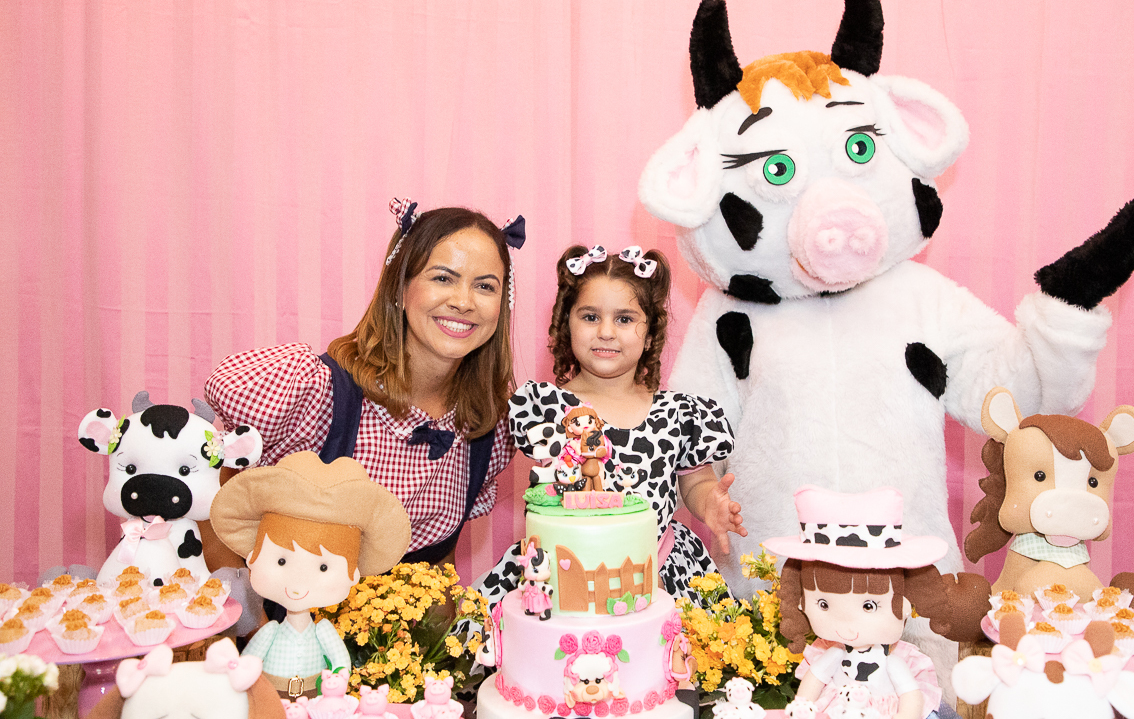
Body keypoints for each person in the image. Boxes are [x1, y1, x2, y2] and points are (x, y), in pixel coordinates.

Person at [205, 200, 522, 565]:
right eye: (442, 278)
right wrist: (246, 603)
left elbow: (438, 564)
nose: (464, 302)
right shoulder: (316, 394)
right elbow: (215, 510)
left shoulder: (489, 425)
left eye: (485, 286)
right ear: (400, 287)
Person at [479, 244, 745, 604]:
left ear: (649, 334)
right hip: (561, 571)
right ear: (566, 325)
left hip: (660, 567)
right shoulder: (546, 407)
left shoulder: (678, 413)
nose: (606, 331)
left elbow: (696, 481)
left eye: (624, 319)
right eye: (590, 317)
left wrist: (709, 502)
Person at [208, 451, 411, 697]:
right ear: (252, 559)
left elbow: (340, 661)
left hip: (315, 696)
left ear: (353, 576)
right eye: (281, 561)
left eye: (323, 567)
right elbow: (249, 661)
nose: (298, 583)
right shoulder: (269, 632)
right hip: (272, 697)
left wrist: (338, 680)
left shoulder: (323, 631)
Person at [765, 485, 954, 719]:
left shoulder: (893, 662)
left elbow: (911, 697)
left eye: (868, 606)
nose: (847, 626)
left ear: (904, 605)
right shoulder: (832, 654)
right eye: (823, 605)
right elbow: (808, 692)